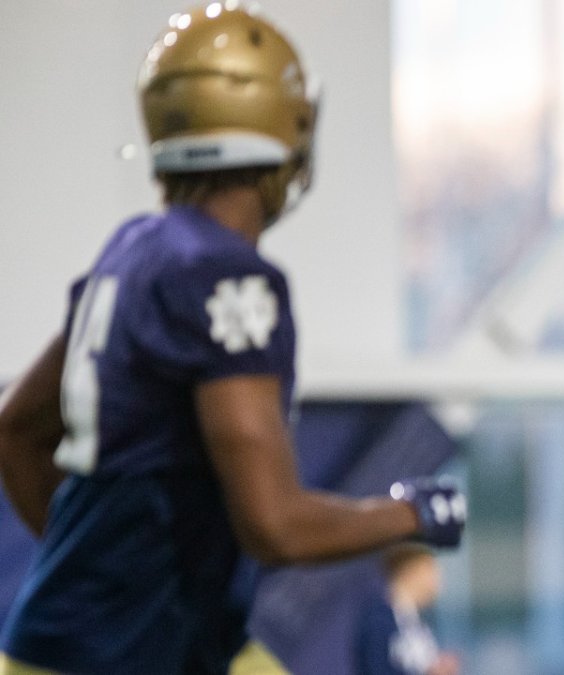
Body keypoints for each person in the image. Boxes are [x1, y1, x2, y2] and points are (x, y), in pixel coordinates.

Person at [0, 5, 466, 674]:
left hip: (68, 644)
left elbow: (15, 430)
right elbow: (273, 524)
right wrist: (414, 514)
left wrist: (104, 580)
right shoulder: (223, 275)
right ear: (281, 125)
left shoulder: (133, 250)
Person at [355, 544, 460, 675]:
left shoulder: (413, 621)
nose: (438, 584)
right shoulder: (378, 622)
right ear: (411, 572)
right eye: (430, 572)